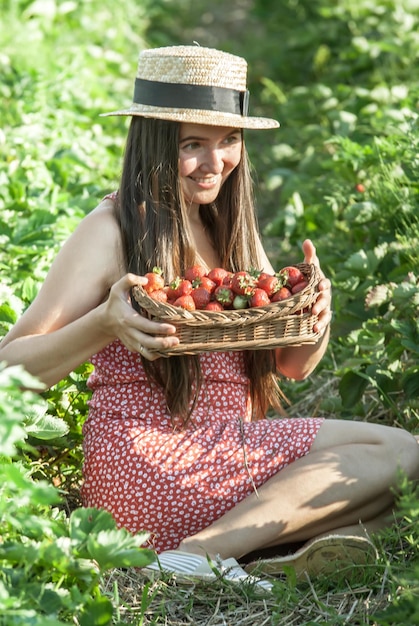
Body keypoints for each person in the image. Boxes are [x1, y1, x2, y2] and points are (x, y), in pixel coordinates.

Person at [1, 45, 418, 587]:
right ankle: (199, 554)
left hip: (221, 451)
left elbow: (292, 366)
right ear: (152, 144)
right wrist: (103, 322)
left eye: (228, 142)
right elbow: (9, 371)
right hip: (144, 464)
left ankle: (247, 554)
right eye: (192, 145)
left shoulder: (227, 227)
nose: (214, 162)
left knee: (401, 498)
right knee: (403, 454)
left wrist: (315, 313)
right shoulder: (111, 231)